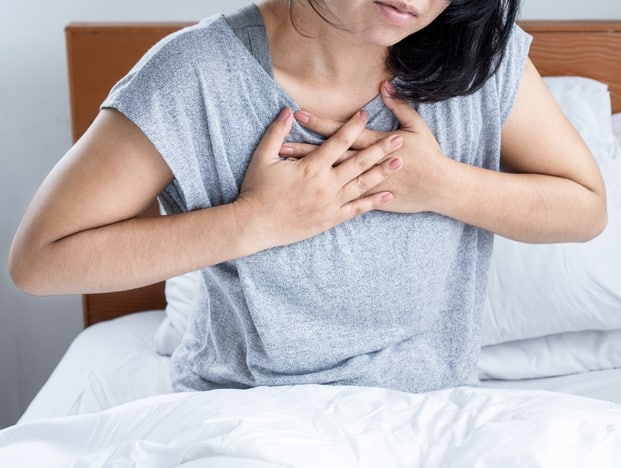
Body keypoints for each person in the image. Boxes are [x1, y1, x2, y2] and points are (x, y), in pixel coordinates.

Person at [9, 0, 607, 393]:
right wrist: (257, 220)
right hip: (248, 416)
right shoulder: (194, 75)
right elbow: (41, 262)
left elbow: (585, 209)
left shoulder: (480, 62)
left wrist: (442, 186)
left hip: (429, 414)